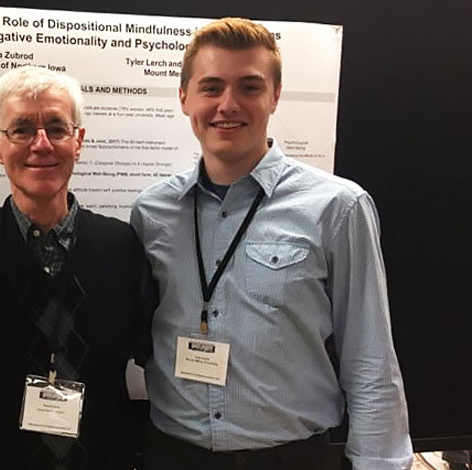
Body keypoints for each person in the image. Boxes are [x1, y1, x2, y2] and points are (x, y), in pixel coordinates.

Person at [130, 17, 413, 470]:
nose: (228, 104)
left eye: (248, 86)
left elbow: (370, 359)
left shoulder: (338, 207)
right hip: (173, 454)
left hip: (290, 459)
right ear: (184, 98)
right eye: (211, 87)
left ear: (275, 96)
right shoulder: (153, 212)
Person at [0, 66, 155, 469]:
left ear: (79, 141)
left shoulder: (124, 248)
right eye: (21, 129)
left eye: (56, 128)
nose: (41, 144)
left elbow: (154, 358)